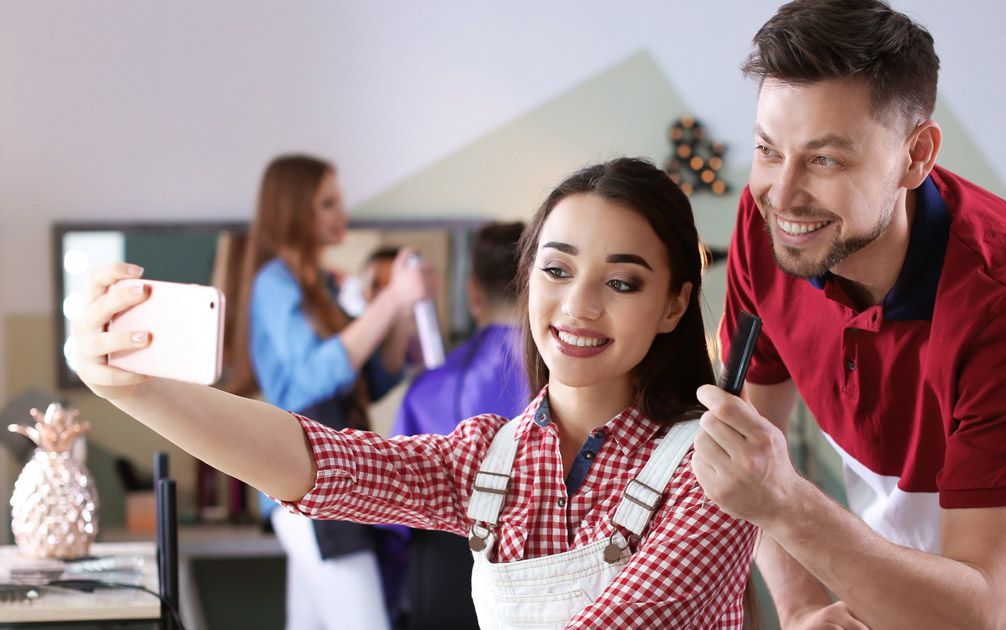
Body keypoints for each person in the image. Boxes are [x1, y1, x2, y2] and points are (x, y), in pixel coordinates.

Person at [74, 157, 758, 628]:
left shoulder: (718, 468)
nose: (578, 306)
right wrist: (133, 390)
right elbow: (317, 461)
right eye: (556, 269)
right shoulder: (489, 458)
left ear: (674, 305)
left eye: (622, 282)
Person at [690, 2, 1006, 629]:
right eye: (768, 150)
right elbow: (744, 455)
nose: (782, 195)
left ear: (916, 155)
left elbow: (976, 613)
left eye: (825, 159)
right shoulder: (773, 225)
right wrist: (802, 608)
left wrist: (786, 503)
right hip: (893, 553)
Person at [224, 154, 433, 630]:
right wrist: (391, 299)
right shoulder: (273, 284)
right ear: (295, 210)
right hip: (306, 479)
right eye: (328, 203)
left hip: (332, 476)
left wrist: (401, 313)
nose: (343, 212)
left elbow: (370, 382)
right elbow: (314, 378)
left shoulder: (320, 286)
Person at [387, 220, 527, 629]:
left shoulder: (432, 387)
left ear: (472, 292)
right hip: (538, 567)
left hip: (445, 574)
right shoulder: (570, 384)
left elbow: (397, 513)